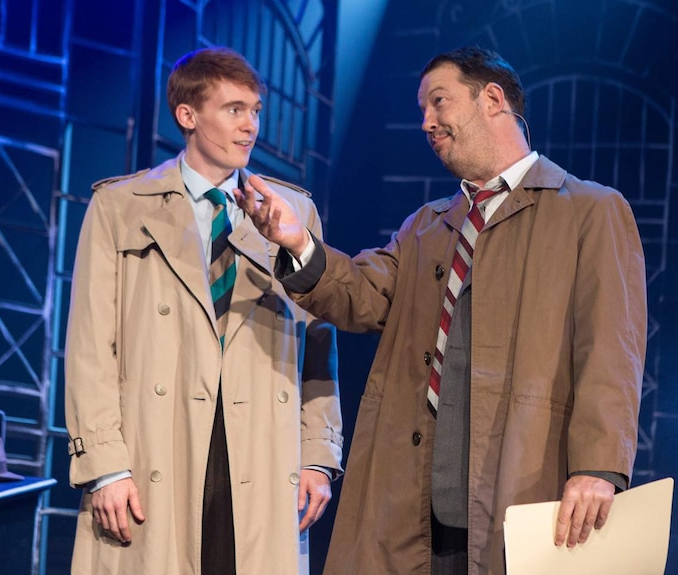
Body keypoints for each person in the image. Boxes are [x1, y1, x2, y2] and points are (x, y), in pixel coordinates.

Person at [237, 46, 647, 574]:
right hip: (417, 506)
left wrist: (598, 467)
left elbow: (612, 350)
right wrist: (297, 242)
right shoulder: (427, 226)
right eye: (421, 111)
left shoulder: (589, 210)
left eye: (438, 102)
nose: (427, 123)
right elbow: (360, 292)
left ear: (492, 99)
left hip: (519, 488)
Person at [64, 47, 343, 575]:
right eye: (234, 109)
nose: (250, 126)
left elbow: (319, 343)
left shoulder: (290, 212)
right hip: (155, 446)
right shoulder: (121, 206)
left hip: (261, 445)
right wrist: (104, 468)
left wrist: (317, 457)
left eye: (256, 110)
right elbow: (90, 347)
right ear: (187, 115)